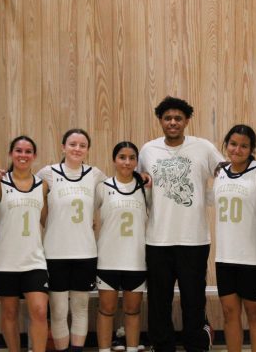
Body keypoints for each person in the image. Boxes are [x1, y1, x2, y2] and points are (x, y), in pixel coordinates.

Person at [138, 96, 223, 352]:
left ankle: (196, 346)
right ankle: (162, 346)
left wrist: (207, 197)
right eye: (167, 118)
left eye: (178, 118)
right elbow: (142, 187)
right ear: (160, 121)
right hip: (157, 239)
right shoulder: (148, 150)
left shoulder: (203, 147)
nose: (173, 122)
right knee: (159, 300)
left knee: (193, 299)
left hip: (194, 240)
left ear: (186, 120)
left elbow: (226, 175)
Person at [36, 129, 107, 352]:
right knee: (57, 310)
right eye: (73, 144)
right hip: (55, 252)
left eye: (82, 145)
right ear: (63, 147)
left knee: (80, 307)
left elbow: (113, 195)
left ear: (87, 150)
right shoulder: (48, 173)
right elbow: (27, 193)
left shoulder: (95, 174)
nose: (77, 149)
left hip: (85, 251)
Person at [210, 125, 256, 352]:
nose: (237, 149)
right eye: (233, 144)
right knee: (229, 312)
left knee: (254, 313)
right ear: (226, 145)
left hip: (253, 256)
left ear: (252, 148)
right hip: (225, 255)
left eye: (244, 146)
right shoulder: (220, 173)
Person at [0, 136, 49, 352]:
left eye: (28, 151)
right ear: (11, 153)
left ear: (34, 155)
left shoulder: (43, 186)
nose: (23, 155)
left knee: (40, 311)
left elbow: (47, 221)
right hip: (6, 260)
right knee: (10, 313)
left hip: (34, 260)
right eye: (18, 150)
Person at [95, 142, 150, 352]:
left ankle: (132, 348)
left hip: (136, 259)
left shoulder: (145, 189)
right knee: (106, 309)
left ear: (136, 161)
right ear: (114, 160)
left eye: (131, 158)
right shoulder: (103, 186)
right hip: (108, 258)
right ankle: (104, 349)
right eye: (122, 157)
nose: (127, 162)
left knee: (133, 309)